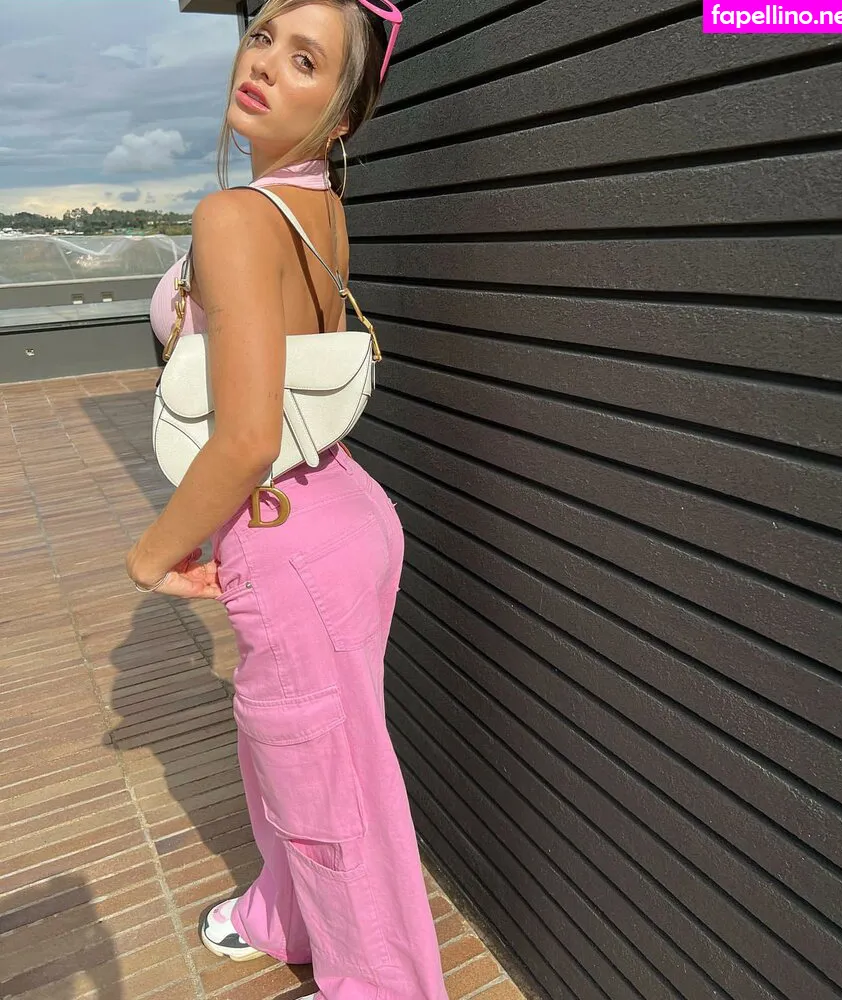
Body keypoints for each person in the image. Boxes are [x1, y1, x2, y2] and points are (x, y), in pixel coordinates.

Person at [127, 2, 449, 998]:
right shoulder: (317, 208)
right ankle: (283, 917)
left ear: (342, 115)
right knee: (299, 764)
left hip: (288, 532)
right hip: (343, 510)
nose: (264, 63)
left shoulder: (234, 216)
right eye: (264, 34)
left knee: (331, 801)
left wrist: (150, 555)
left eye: (306, 60)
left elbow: (247, 438)